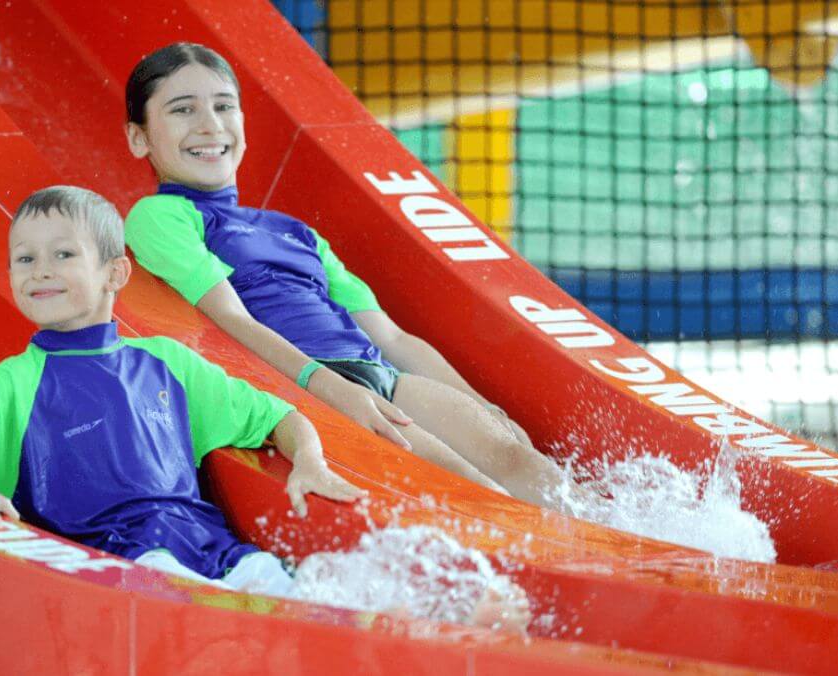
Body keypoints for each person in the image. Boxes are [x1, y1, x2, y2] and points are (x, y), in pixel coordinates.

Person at [123, 43, 572, 507]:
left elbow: (392, 338)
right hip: (307, 385)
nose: (210, 125)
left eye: (223, 107)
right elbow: (232, 321)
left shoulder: (296, 232)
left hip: (377, 374)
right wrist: (332, 389)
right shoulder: (162, 215)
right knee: (481, 494)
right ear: (139, 138)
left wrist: (486, 407)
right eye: (183, 110)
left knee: (526, 464)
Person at [0, 185, 365, 595]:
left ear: (115, 274)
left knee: (300, 598)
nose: (40, 271)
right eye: (25, 259)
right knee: (174, 593)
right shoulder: (16, 381)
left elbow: (279, 416)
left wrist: (310, 462)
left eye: (63, 255)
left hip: (214, 548)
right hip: (113, 562)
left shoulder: (168, 361)